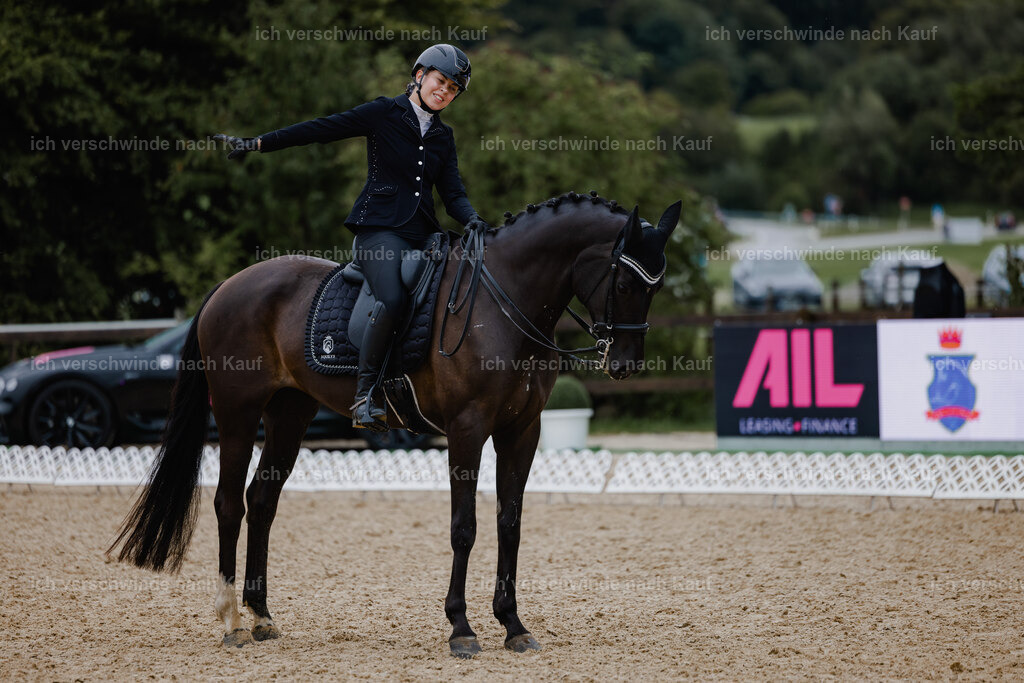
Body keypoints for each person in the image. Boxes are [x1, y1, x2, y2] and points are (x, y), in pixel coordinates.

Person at [216, 44, 490, 431]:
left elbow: (453, 193)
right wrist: (260, 143)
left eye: (452, 89)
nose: (444, 91)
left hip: (424, 235)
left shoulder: (444, 137)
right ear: (419, 75)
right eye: (440, 81)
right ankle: (365, 394)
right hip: (379, 231)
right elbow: (321, 129)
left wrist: (473, 218)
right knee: (391, 298)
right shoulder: (383, 113)